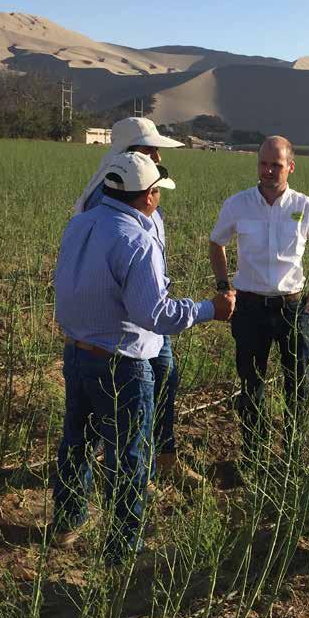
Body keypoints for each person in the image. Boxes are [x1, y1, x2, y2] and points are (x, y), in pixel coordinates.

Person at [53, 151, 235, 563]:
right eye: (158, 192)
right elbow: (155, 314)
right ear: (149, 196)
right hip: (122, 364)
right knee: (128, 456)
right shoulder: (137, 240)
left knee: (77, 441)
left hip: (77, 353)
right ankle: (123, 548)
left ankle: (67, 521)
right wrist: (210, 309)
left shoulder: (80, 223)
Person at [74, 117, 198, 487]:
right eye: (150, 150)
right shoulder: (105, 198)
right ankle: (131, 475)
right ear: (128, 152)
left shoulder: (138, 189)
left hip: (149, 307)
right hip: (128, 324)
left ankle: (162, 457)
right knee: (128, 400)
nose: (157, 157)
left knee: (164, 380)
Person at [208, 135, 309, 466]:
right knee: (251, 384)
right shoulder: (237, 204)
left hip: (292, 309)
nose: (268, 171)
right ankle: (253, 456)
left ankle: (292, 458)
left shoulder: (307, 207)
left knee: (298, 383)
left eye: (276, 165)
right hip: (249, 308)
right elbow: (216, 243)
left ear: (291, 167)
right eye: (263, 164)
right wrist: (224, 287)